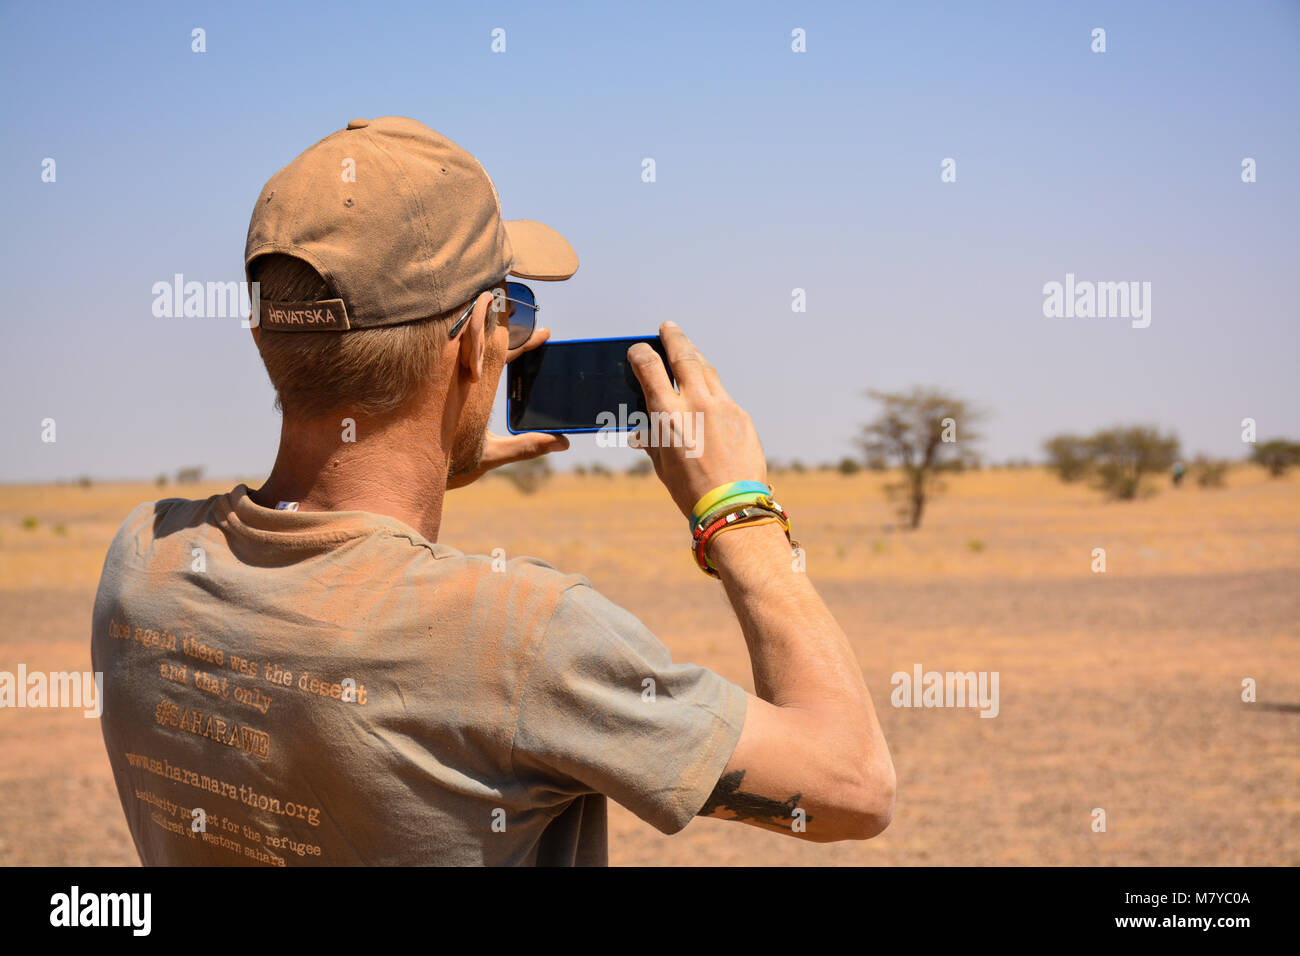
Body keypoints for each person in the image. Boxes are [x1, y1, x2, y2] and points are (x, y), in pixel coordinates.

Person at [90, 116, 895, 866]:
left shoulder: (142, 562)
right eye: (513, 309)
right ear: (480, 338)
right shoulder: (522, 638)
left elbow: (330, 561)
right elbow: (852, 787)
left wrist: (429, 454)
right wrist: (736, 508)